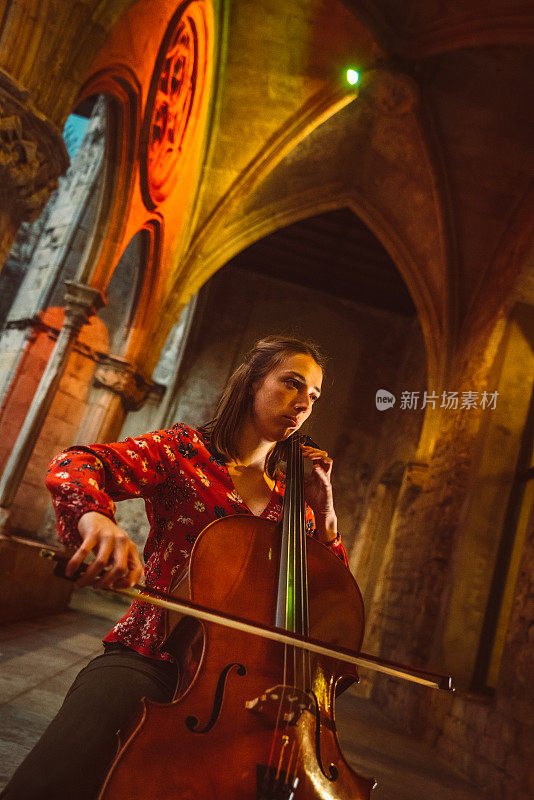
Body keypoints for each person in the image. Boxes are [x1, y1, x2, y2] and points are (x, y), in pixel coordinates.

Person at [1, 335, 349, 800]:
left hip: (250, 690)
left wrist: (325, 514)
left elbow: (333, 601)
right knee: (51, 781)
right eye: (292, 384)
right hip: (151, 655)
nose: (304, 403)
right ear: (251, 383)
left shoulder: (296, 509)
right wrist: (95, 518)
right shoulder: (186, 452)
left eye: (314, 396)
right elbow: (77, 464)